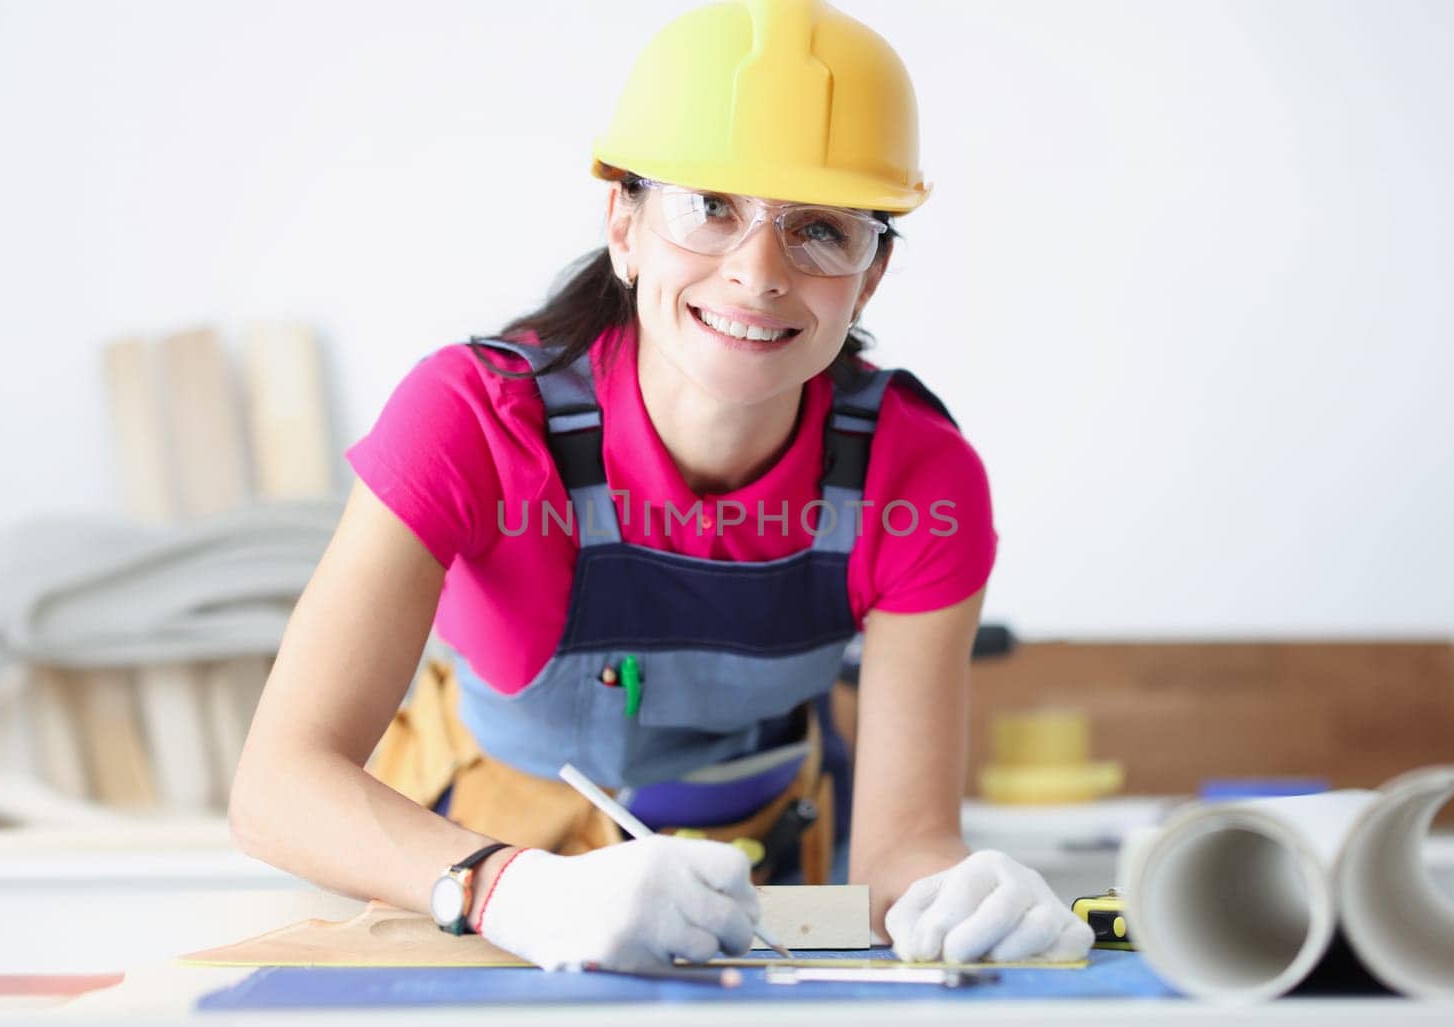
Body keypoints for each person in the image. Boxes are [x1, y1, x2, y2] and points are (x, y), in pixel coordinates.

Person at [229, 0, 1093, 973]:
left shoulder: (920, 477)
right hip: (470, 889)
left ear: (872, 274)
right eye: (710, 206)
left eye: (818, 229)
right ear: (623, 223)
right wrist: (518, 891)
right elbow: (276, 787)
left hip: (757, 899)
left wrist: (959, 895)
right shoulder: (470, 418)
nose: (758, 271)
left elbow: (903, 852)